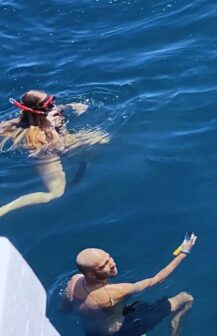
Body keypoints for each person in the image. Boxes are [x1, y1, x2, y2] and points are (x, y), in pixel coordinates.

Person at [0, 90, 109, 218]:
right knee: (56, 193)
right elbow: (57, 148)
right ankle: (5, 209)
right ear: (38, 111)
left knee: (101, 138)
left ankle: (85, 165)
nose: (54, 106)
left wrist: (71, 106)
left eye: (53, 101)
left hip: (55, 141)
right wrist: (49, 128)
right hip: (44, 154)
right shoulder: (36, 134)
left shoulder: (41, 115)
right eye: (50, 105)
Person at [61, 234, 197, 336]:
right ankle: (175, 323)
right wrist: (184, 252)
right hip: (122, 330)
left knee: (136, 306)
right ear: (90, 274)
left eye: (109, 258)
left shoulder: (75, 280)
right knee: (186, 298)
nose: (112, 264)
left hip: (93, 333)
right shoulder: (115, 292)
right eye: (104, 265)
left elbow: (65, 309)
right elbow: (156, 280)